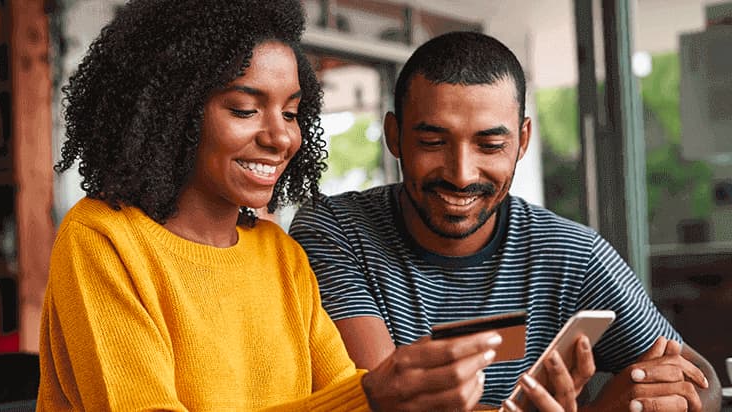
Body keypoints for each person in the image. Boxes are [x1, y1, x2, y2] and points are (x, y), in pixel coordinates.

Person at [36, 2, 520, 411]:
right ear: (172, 111)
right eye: (245, 109)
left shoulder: (279, 255)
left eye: (290, 112)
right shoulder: (103, 240)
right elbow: (353, 400)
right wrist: (370, 395)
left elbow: (344, 393)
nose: (281, 137)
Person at [289, 30, 722, 412]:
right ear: (394, 136)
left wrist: (660, 393)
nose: (461, 174)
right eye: (433, 141)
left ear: (523, 140)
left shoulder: (573, 255)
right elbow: (392, 399)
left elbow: (704, 382)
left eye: (490, 145)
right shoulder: (335, 231)